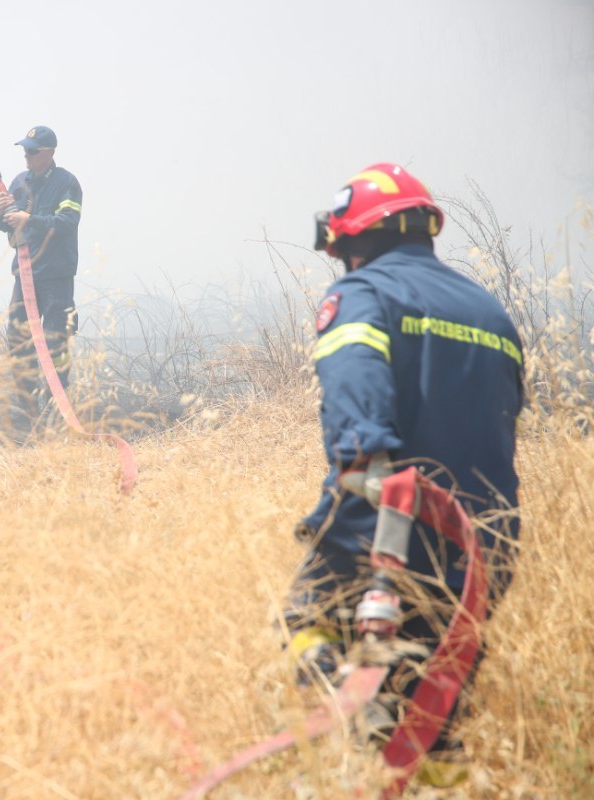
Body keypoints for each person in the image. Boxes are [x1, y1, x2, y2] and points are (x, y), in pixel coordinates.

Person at [285, 163, 524, 786]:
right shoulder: (490, 312)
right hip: (486, 550)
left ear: (354, 240)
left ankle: (346, 739)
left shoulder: (361, 297)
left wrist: (329, 532)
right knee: (435, 723)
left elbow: (360, 444)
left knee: (305, 622)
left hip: (395, 530)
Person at [0, 125, 82, 425]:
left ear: (50, 152)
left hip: (56, 277)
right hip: (25, 276)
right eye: (25, 151)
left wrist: (29, 219)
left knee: (56, 344)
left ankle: (58, 413)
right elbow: (3, 223)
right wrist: (0, 211)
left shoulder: (67, 183)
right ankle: (27, 412)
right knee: (18, 341)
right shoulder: (19, 182)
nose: (27, 156)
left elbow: (67, 222)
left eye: (33, 151)